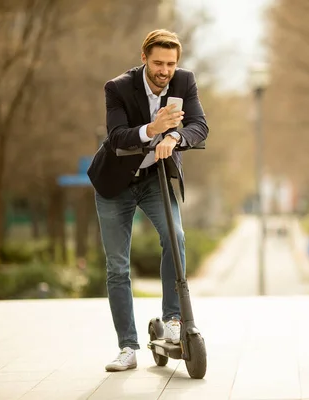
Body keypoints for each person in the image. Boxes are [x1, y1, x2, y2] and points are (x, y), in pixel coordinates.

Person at [87, 29, 208, 372]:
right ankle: (127, 347)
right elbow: (116, 137)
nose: (164, 71)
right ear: (144, 58)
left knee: (176, 238)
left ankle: (172, 318)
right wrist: (152, 129)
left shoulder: (185, 81)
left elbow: (199, 125)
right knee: (118, 266)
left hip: (155, 178)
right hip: (115, 182)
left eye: (171, 63)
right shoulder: (119, 88)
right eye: (158, 63)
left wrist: (174, 135)